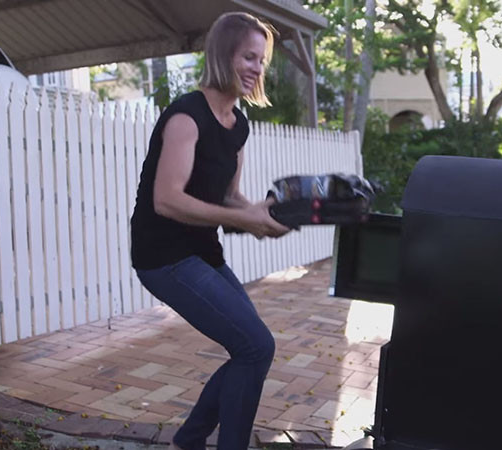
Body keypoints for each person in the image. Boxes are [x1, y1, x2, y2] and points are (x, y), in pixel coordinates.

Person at [130, 12, 291, 450]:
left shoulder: (238, 124)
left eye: (261, 60)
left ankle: (189, 441)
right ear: (224, 55)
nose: (256, 68)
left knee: (254, 348)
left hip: (201, 251)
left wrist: (263, 213)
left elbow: (228, 196)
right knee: (255, 346)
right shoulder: (186, 116)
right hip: (163, 255)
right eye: (248, 56)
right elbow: (167, 199)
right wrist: (244, 220)